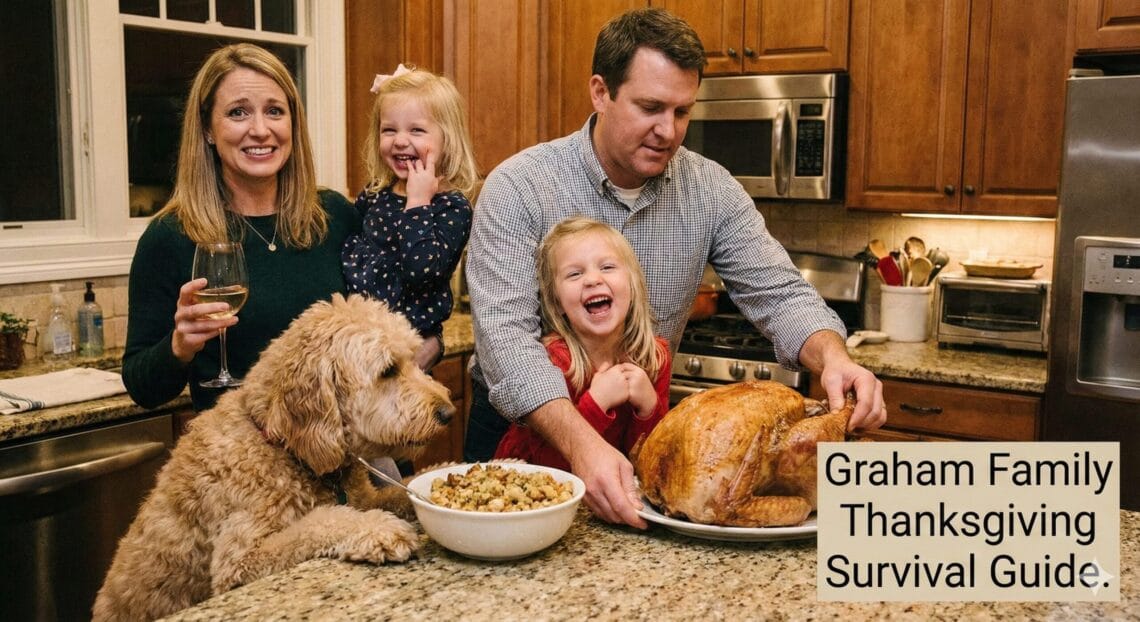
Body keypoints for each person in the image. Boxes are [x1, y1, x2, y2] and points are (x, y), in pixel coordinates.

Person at [464, 7, 888, 528]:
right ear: (601, 92)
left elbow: (780, 292)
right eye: (650, 107)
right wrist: (582, 444)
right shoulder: (520, 187)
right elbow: (506, 344)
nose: (668, 130)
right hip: (528, 440)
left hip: (644, 436)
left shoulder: (710, 190)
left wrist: (834, 359)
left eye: (683, 112)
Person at [123, 43, 360, 412]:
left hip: (343, 448)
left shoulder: (334, 216)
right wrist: (179, 347)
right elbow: (143, 388)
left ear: (293, 124)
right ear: (207, 130)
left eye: (275, 111)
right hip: (242, 459)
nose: (261, 130)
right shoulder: (170, 237)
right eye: (238, 113)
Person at [494, 216, 671, 470]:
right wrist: (597, 404)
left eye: (607, 267)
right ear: (557, 303)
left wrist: (648, 409)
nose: (592, 280)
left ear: (632, 285)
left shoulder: (654, 358)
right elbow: (548, 470)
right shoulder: (551, 364)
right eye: (575, 273)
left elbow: (651, 463)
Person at [342, 65, 477, 370]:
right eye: (389, 130)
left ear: (448, 139)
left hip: (410, 350)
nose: (400, 140)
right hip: (360, 345)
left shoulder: (451, 207)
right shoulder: (376, 193)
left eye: (416, 130)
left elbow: (421, 270)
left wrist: (418, 202)